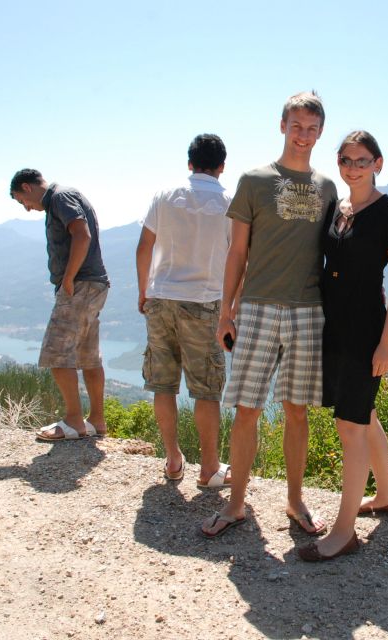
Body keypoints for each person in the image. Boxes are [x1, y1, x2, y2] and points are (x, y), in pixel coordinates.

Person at [201, 91, 338, 538]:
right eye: (296, 126)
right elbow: (236, 250)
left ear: (320, 133)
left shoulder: (328, 188)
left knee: (297, 412)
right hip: (257, 307)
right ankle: (236, 504)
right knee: (247, 410)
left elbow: (333, 250)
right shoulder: (254, 181)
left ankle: (295, 501)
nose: (303, 136)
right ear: (282, 126)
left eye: (312, 129)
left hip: (308, 310)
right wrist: (227, 311)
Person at [297, 130, 388, 561]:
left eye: (363, 160)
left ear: (378, 163)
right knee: (364, 413)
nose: (354, 167)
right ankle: (386, 495)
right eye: (346, 159)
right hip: (333, 326)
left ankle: (343, 533)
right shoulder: (337, 208)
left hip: (366, 329)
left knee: (350, 425)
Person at [135, 134, 233, 487]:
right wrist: (231, 308)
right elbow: (239, 258)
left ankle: (173, 459)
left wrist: (144, 291)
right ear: (222, 167)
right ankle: (209, 468)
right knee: (206, 389)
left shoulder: (163, 196)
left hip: (160, 297)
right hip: (204, 303)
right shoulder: (228, 203)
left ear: (189, 163)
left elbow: (144, 246)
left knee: (163, 384)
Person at [9, 169, 110, 440]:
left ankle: (74, 421)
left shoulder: (60, 198)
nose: (27, 208)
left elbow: (82, 234)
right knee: (88, 355)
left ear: (28, 187)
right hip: (94, 284)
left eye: (22, 201)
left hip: (80, 285)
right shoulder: (66, 197)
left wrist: (68, 277)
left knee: (56, 353)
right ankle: (97, 421)